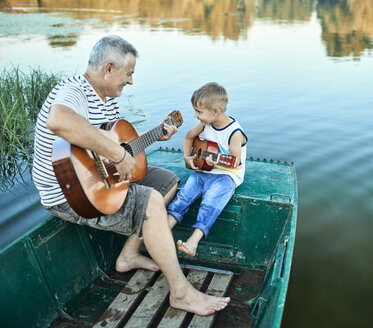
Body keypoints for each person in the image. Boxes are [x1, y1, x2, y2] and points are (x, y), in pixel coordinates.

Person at [31, 36, 229, 315]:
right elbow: (59, 120)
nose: (131, 81)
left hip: (99, 181)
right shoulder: (74, 91)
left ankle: (129, 255)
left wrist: (150, 138)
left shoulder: (108, 100)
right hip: (72, 195)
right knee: (150, 201)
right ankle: (181, 293)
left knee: (167, 182)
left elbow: (118, 143)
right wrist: (117, 154)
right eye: (129, 73)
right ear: (109, 68)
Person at [167, 82, 248, 257]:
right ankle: (163, 233)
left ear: (216, 111)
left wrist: (216, 162)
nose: (196, 116)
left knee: (210, 202)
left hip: (227, 175)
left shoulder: (235, 132)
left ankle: (193, 242)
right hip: (204, 171)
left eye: (199, 112)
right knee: (183, 196)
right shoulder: (206, 124)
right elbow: (189, 137)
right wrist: (187, 157)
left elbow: (235, 161)